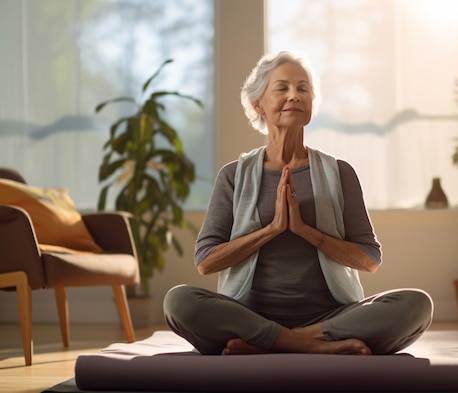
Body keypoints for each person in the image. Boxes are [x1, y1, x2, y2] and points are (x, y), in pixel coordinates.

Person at [163, 51, 433, 356]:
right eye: (282, 88)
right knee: (179, 301)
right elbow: (205, 261)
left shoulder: (340, 173)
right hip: (248, 316)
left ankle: (281, 342)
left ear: (311, 104)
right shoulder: (233, 175)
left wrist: (306, 231)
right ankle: (310, 346)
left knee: (416, 305)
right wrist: (272, 230)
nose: (294, 96)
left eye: (302, 88)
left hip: (331, 317)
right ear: (258, 104)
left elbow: (369, 259)